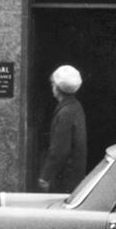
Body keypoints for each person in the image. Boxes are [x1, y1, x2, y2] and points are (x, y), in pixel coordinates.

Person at [37, 65, 87, 194]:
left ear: (57, 87)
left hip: (64, 178)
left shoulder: (65, 112)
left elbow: (59, 150)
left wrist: (45, 176)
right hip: (73, 175)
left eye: (53, 83)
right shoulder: (76, 107)